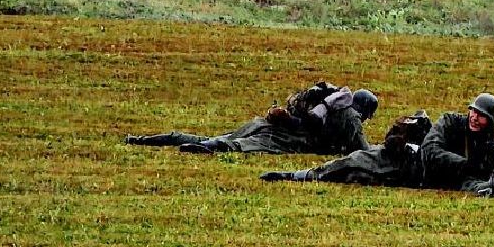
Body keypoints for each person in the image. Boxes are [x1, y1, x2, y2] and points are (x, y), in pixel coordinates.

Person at [262, 92, 494, 188]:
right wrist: (465, 165)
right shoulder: (451, 121)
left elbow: (476, 178)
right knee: (350, 163)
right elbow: (431, 152)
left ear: (491, 123)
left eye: (481, 117)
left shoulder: (490, 148)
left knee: (356, 175)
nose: (474, 117)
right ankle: (294, 176)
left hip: (411, 179)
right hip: (403, 162)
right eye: (473, 112)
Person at [126, 83, 377, 156]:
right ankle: (204, 149)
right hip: (285, 138)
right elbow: (362, 150)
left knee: (218, 137)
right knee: (236, 146)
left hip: (267, 123)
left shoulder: (328, 102)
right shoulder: (350, 117)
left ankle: (146, 140)